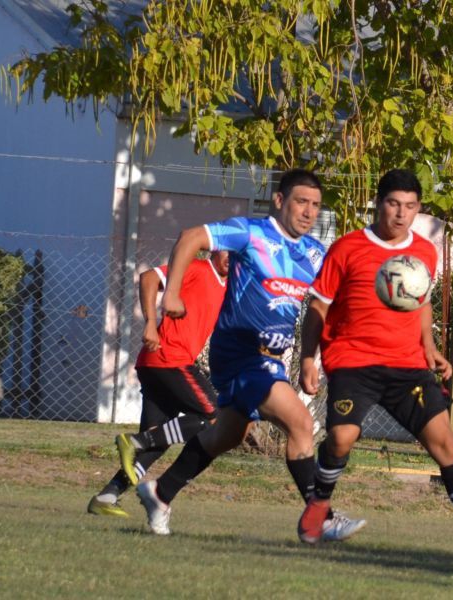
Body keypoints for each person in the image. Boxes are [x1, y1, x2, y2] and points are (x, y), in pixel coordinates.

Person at [296, 168, 453, 560]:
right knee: (341, 438)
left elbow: (419, 301)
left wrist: (430, 346)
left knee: (447, 446)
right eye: (393, 204)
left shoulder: (424, 251)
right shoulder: (347, 248)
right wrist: (307, 358)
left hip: (407, 367)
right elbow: (318, 307)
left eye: (409, 206)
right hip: (353, 361)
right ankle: (319, 503)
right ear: (378, 203)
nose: (401, 214)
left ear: (417, 208)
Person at [135, 169, 365, 541]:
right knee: (302, 425)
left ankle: (161, 492)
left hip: (270, 360)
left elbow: (326, 305)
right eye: (301, 202)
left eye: (316, 206)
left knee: (225, 434)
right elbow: (192, 237)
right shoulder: (252, 232)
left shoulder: (313, 253)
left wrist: (311, 358)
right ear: (279, 201)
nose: (309, 212)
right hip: (241, 353)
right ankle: (319, 519)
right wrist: (172, 292)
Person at [87, 250, 230, 518]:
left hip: (156, 363)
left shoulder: (228, 285)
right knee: (214, 417)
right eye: (227, 249)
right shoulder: (197, 269)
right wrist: (151, 323)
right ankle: (137, 440)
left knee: (157, 443)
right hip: (169, 358)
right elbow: (149, 277)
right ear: (212, 250)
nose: (232, 257)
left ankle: (106, 497)